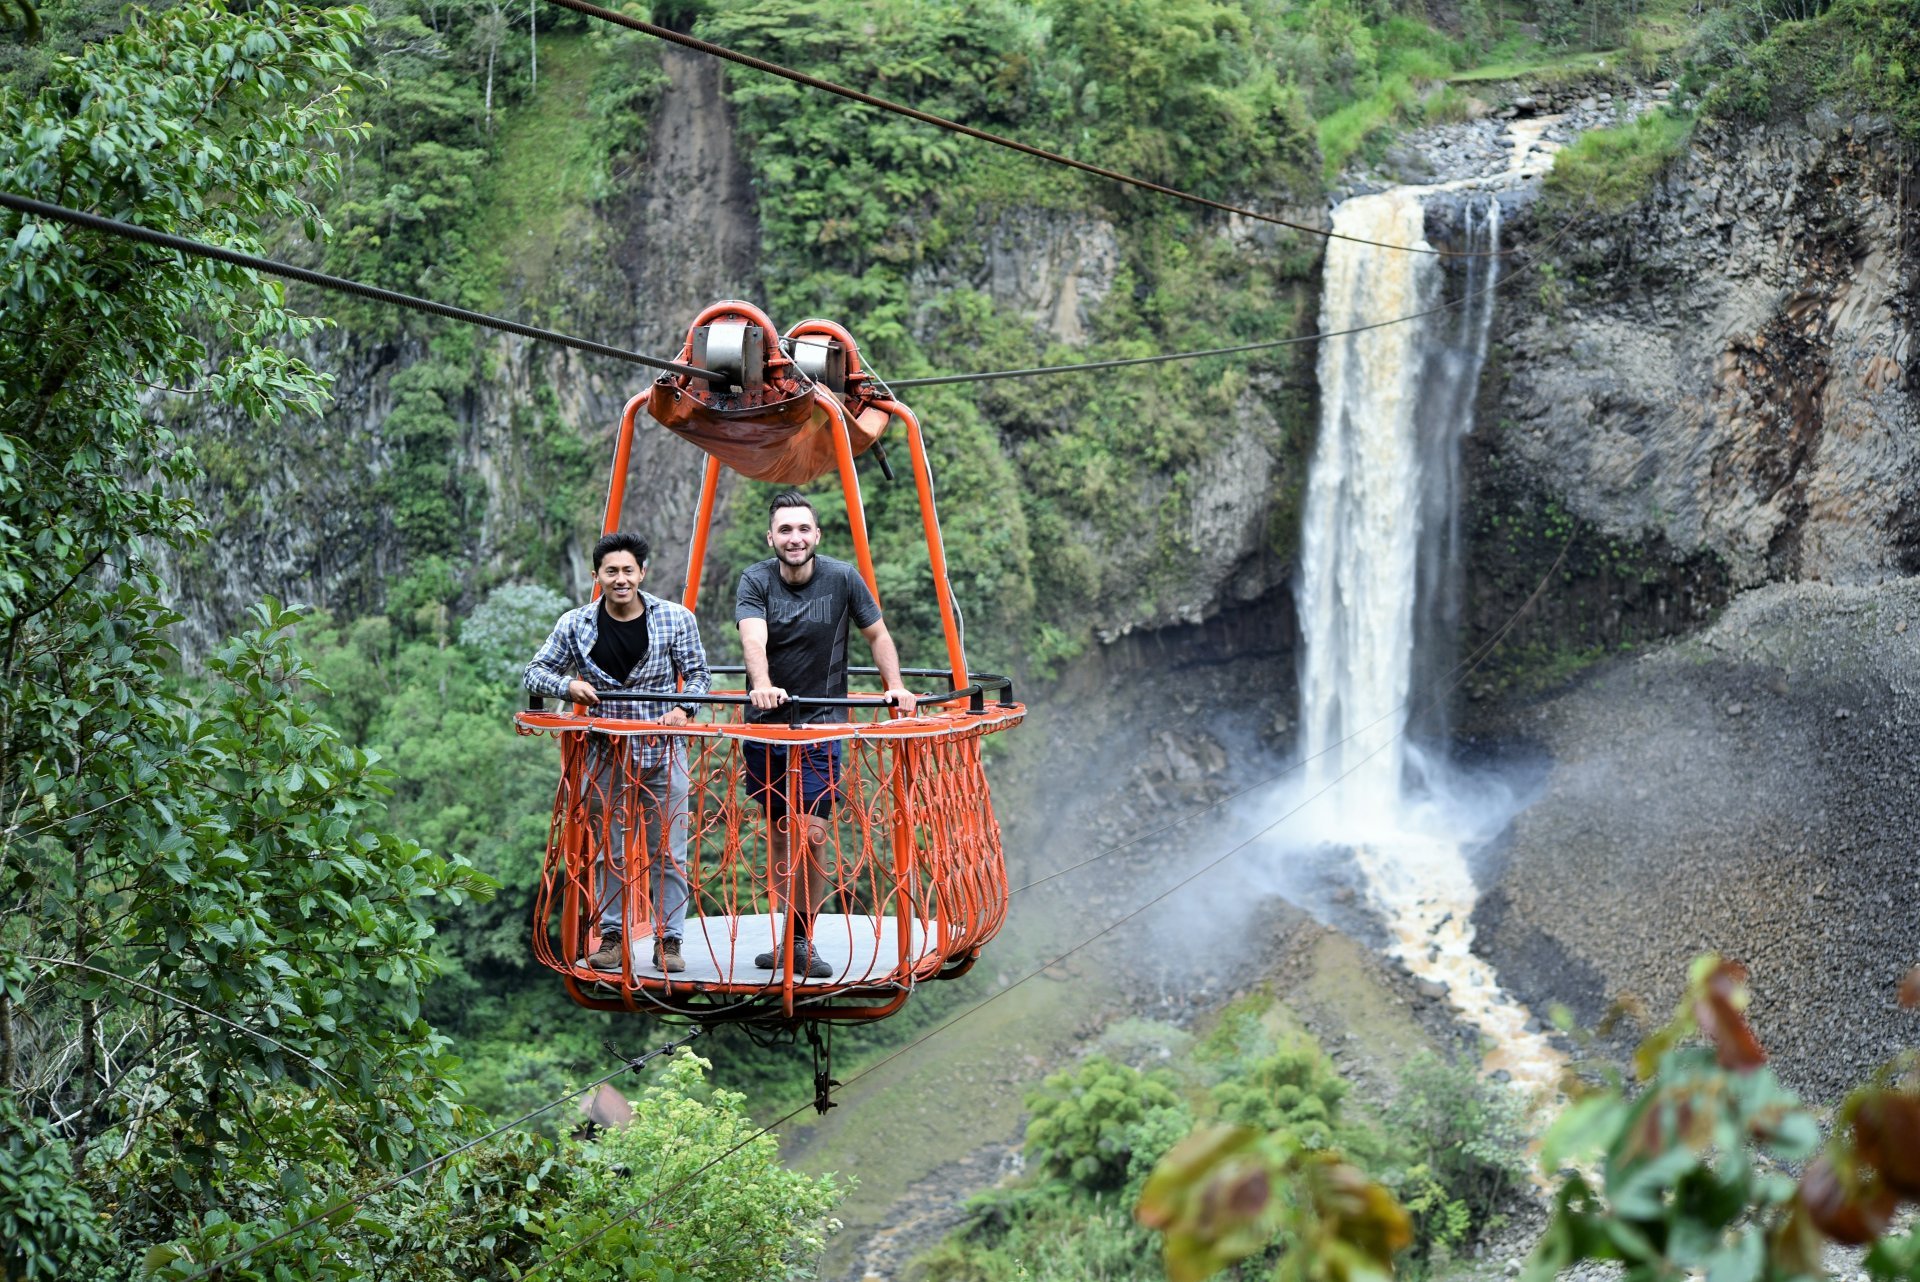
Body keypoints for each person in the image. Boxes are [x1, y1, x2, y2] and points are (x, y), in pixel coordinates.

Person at [736, 490, 917, 979]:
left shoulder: (842, 577)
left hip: (820, 726)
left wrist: (894, 687)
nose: (794, 539)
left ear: (817, 535)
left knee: (812, 835)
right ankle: (785, 939)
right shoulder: (756, 580)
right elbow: (753, 636)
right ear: (770, 537)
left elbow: (876, 633)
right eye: (785, 530)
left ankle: (801, 939)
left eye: (802, 529)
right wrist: (763, 686)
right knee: (778, 835)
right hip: (767, 728)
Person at [525, 532, 710, 974]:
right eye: (612, 571)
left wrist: (684, 708)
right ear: (597, 577)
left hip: (663, 749)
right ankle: (611, 938)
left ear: (642, 573)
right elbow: (535, 672)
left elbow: (699, 674)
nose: (620, 579)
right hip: (605, 754)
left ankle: (669, 942)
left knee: (669, 851)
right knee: (611, 850)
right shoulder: (576, 623)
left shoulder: (674, 619)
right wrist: (567, 685)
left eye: (628, 570)